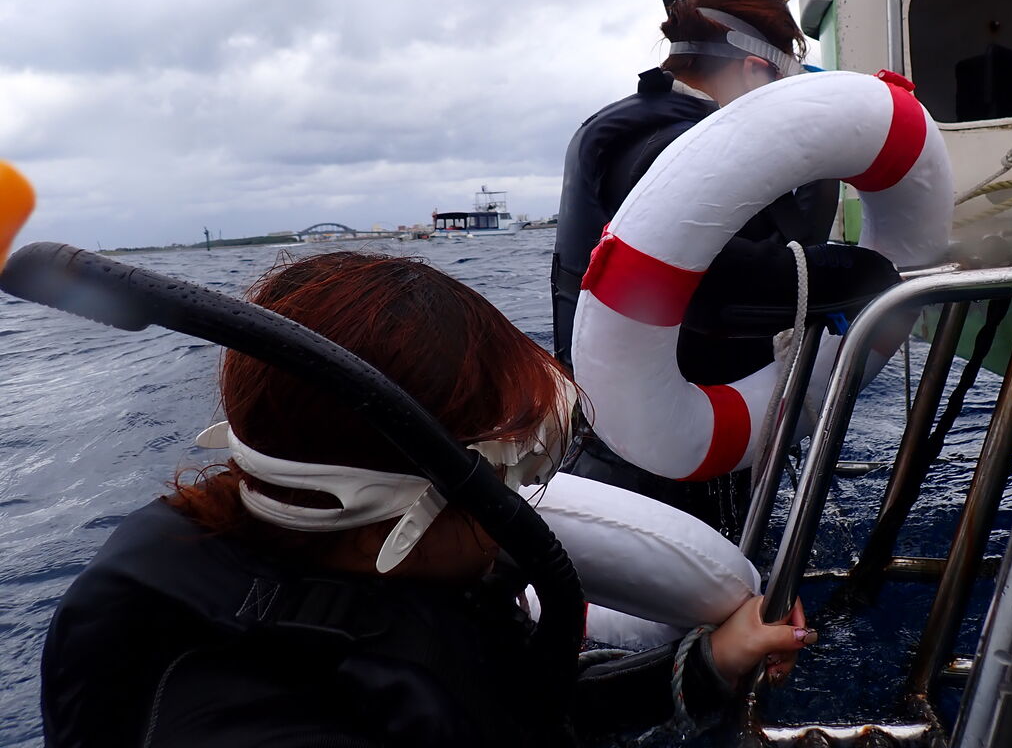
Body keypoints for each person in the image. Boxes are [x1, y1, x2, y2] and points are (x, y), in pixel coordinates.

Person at [41, 252, 815, 748]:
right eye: (514, 471)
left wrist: (709, 665)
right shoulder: (248, 715)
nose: (522, 503)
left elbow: (511, 703)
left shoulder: (370, 569)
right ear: (388, 519)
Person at [552, 0, 900, 538]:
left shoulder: (655, 130)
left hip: (646, 448)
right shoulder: (667, 150)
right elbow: (720, 295)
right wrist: (874, 277)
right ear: (756, 69)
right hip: (650, 469)